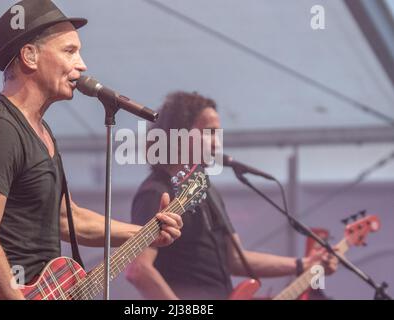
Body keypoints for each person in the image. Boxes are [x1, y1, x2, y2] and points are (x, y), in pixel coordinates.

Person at [0, 0, 182, 300]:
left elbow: (65, 218)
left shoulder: (41, 131)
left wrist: (146, 233)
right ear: (29, 56)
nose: (83, 65)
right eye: (69, 51)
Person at [126, 91, 338, 300]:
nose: (217, 144)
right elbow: (138, 270)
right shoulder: (156, 192)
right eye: (209, 132)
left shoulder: (207, 192)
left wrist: (302, 264)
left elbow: (235, 259)